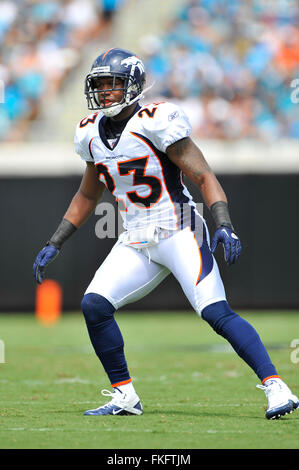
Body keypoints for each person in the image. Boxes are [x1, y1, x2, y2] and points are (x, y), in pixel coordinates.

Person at [33, 47, 298, 419]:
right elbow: (87, 194)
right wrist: (55, 241)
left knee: (215, 311)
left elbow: (203, 174)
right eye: (101, 85)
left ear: (135, 85)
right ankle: (125, 395)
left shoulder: (156, 120)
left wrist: (223, 222)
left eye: (114, 84)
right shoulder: (89, 132)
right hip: (135, 237)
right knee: (95, 305)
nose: (106, 92)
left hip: (179, 227)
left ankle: (277, 387)